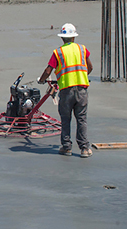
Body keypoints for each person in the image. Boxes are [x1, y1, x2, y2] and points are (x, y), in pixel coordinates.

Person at [38, 23, 93, 158]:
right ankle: (84, 148)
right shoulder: (82, 49)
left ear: (62, 38)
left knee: (65, 119)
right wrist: (81, 76)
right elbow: (90, 67)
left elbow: (48, 70)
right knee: (81, 119)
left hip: (66, 91)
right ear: (73, 37)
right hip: (81, 90)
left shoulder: (58, 52)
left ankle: (66, 147)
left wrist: (41, 80)